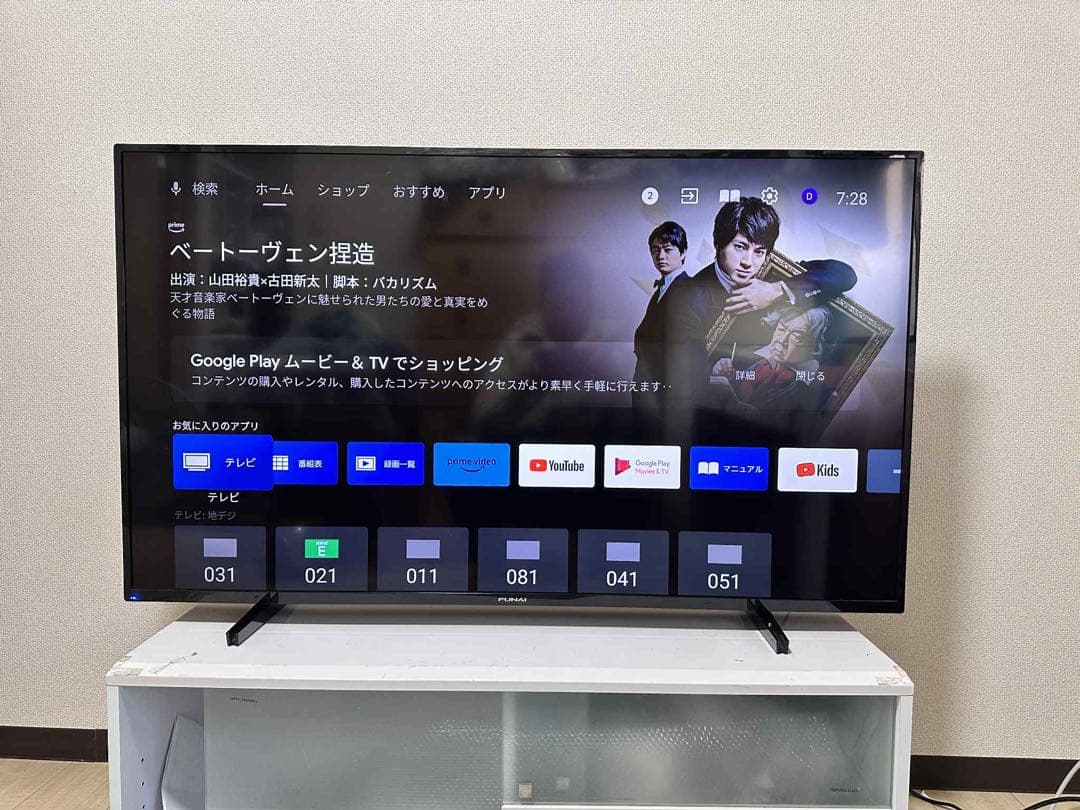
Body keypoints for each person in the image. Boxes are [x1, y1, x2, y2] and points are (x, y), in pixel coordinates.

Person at [681, 197, 856, 396]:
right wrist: (715, 374)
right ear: (719, 243)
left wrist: (777, 290)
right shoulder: (689, 298)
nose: (748, 262)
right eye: (740, 247)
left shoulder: (772, 273)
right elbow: (687, 380)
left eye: (759, 251)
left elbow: (845, 275)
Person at [632, 221, 695, 414]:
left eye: (668, 250)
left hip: (666, 388)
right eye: (655, 250)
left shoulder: (689, 289)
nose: (660, 256)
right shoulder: (661, 289)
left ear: (683, 253)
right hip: (649, 384)